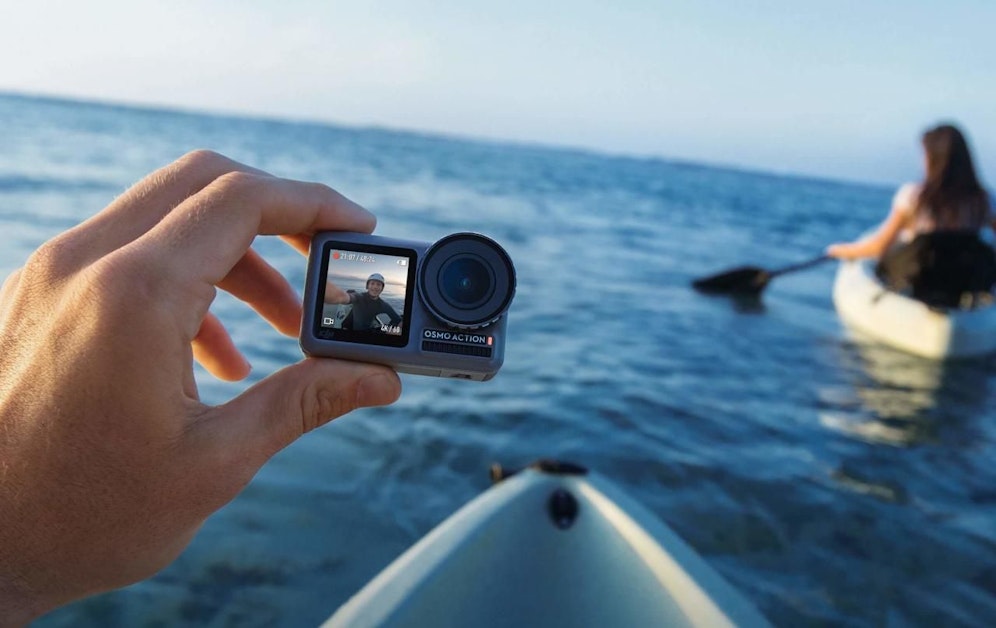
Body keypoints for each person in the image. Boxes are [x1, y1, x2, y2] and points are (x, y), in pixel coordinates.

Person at [0, 150, 402, 625]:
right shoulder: (354, 300)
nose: (374, 290)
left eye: (379, 285)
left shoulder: (387, 312)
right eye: (372, 284)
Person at [826, 123, 996, 306]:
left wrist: (842, 251)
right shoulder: (984, 201)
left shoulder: (914, 197)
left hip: (920, 280)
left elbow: (879, 247)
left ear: (933, 158)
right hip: (963, 283)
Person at [324, 272, 402, 331]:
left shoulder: (383, 305)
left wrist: (393, 330)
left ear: (382, 288)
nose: (375, 287)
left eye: (378, 284)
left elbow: (397, 320)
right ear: (367, 286)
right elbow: (345, 297)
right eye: (372, 283)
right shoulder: (359, 297)